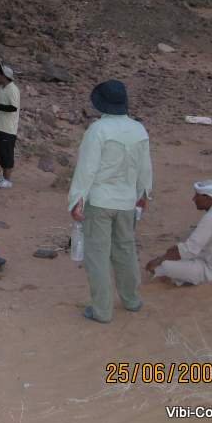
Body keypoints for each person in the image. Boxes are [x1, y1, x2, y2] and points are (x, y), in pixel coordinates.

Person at [69, 80, 152, 324]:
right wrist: (144, 194)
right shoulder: (139, 130)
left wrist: (77, 200)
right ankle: (131, 299)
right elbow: (145, 168)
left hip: (100, 201)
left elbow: (87, 169)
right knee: (125, 251)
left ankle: (102, 310)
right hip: (127, 202)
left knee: (97, 255)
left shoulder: (98, 130)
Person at [146, 180, 212, 285]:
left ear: (208, 197)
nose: (194, 199)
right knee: (177, 256)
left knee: (165, 266)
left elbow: (189, 250)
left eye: (197, 195)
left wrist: (159, 260)